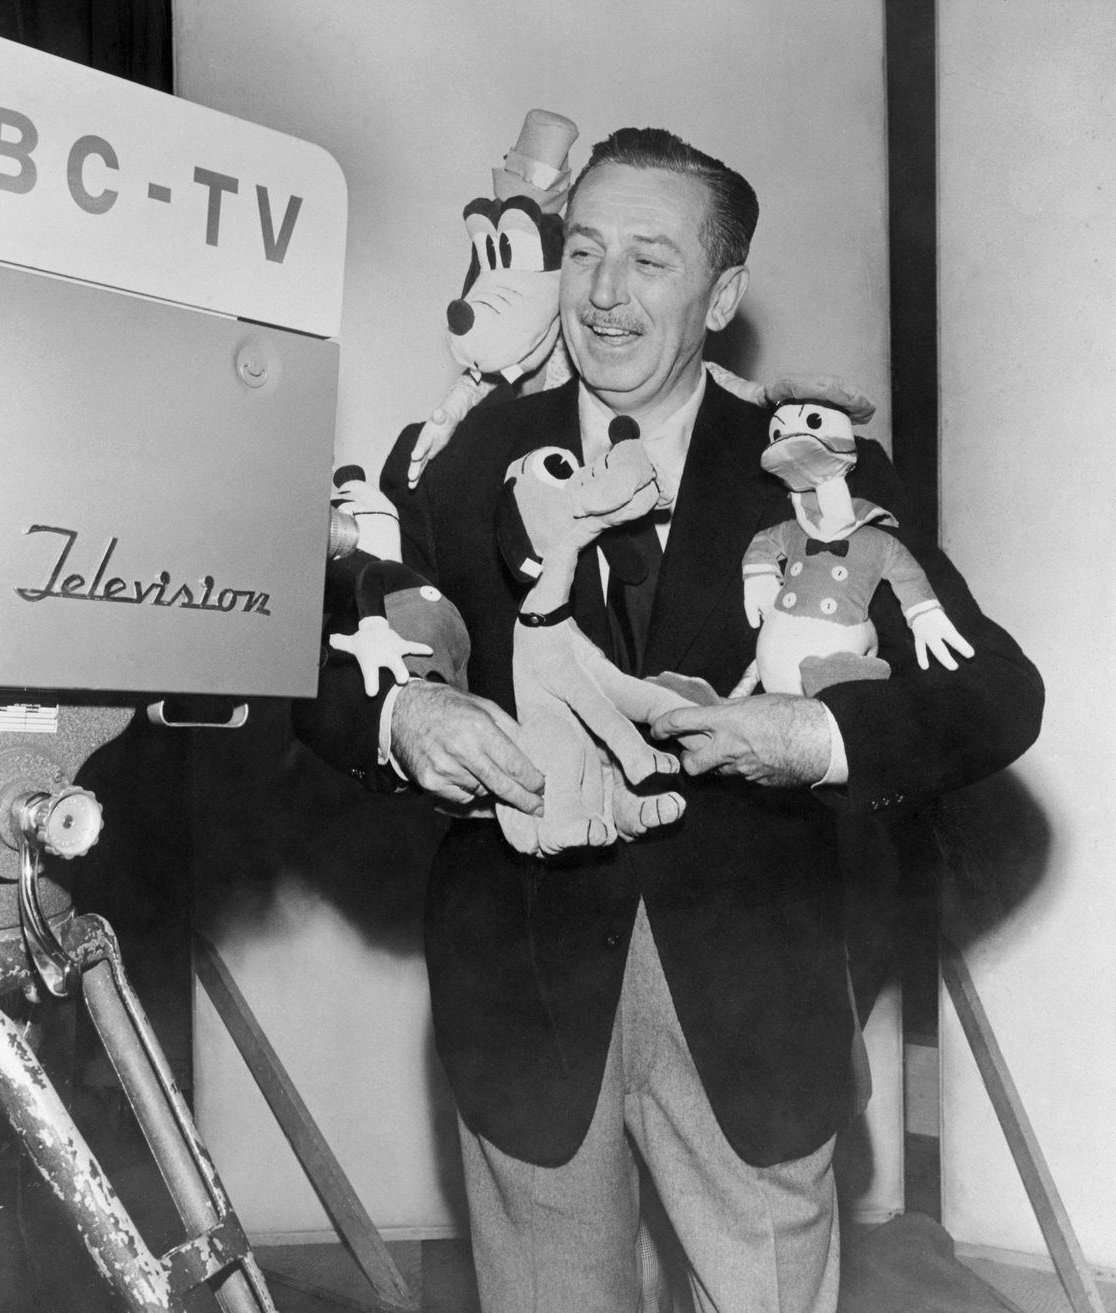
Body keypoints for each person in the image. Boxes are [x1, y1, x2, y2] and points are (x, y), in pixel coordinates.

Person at [295, 127, 1043, 1313]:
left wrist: (820, 738)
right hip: (524, 989)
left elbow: (998, 692)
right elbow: (325, 662)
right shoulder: (452, 460)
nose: (601, 293)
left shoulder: (819, 469)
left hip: (757, 991)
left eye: (649, 259)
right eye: (583, 250)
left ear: (723, 290)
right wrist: (407, 717)